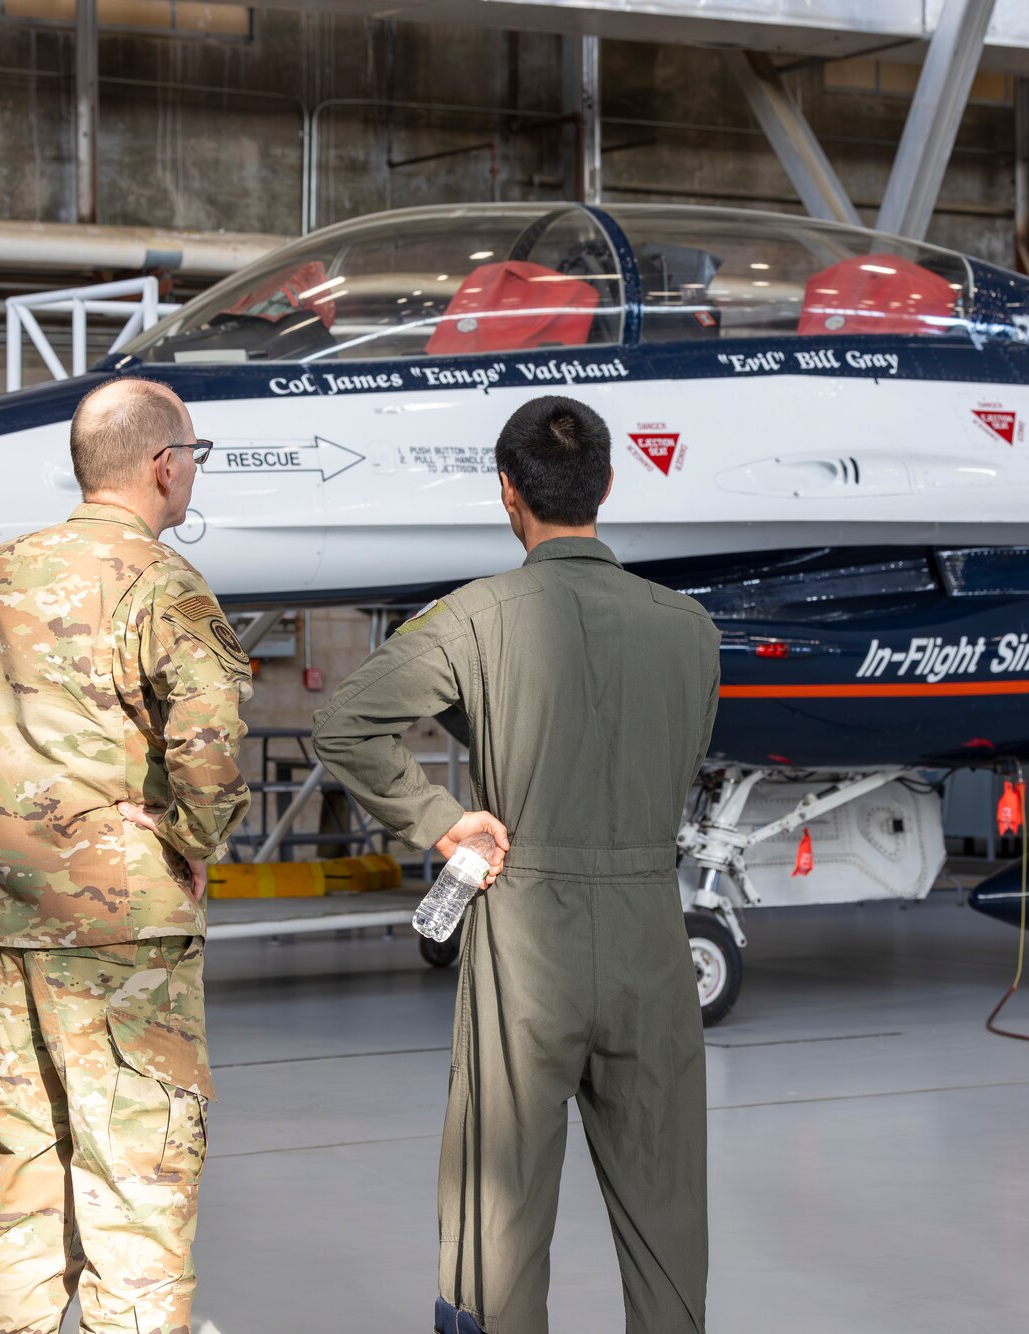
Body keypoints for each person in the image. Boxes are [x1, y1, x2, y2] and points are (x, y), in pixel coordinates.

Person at [312, 395, 721, 1334]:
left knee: (498, 1214)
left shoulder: (474, 617)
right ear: (608, 487)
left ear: (508, 494)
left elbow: (346, 723)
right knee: (667, 1212)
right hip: (653, 932)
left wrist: (442, 821)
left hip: (525, 936)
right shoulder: (690, 629)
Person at [0, 377, 252, 1334]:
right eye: (192, 456)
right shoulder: (165, 586)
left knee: (26, 1194)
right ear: (165, 467)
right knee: (138, 1192)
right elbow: (209, 745)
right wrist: (192, 844)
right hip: (129, 939)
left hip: (15, 926)